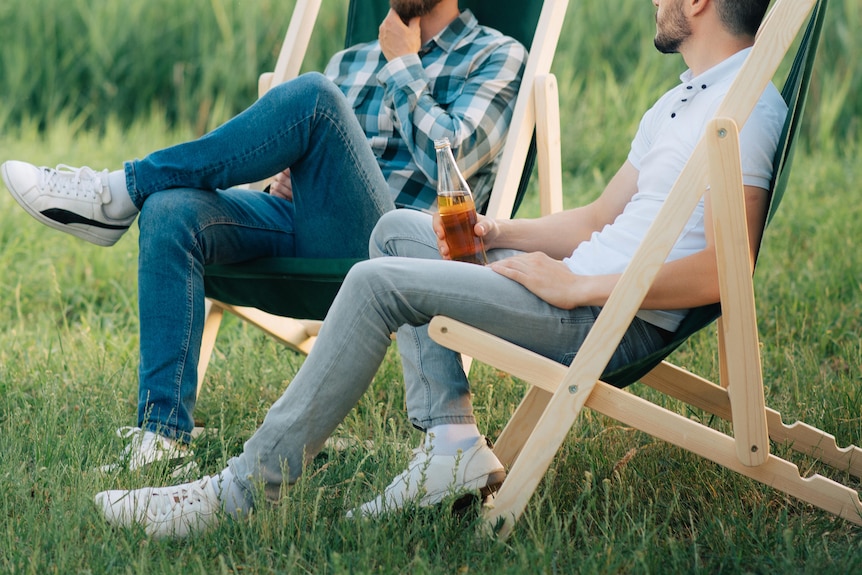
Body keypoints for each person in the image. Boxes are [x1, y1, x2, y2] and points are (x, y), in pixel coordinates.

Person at [89, 0, 788, 539]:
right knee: (398, 230)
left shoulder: (748, 104)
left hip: (602, 315)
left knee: (374, 280)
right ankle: (451, 438)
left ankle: (241, 489)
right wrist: (499, 232)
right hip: (579, 285)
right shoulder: (682, 97)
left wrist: (581, 284)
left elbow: (728, 270)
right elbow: (596, 219)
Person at [1, 0, 527, 472]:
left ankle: (119, 191)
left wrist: (402, 65)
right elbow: (325, 160)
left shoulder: (497, 56)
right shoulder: (352, 60)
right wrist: (294, 172)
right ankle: (160, 437)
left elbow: (453, 159)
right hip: (308, 224)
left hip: (401, 245)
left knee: (316, 98)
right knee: (170, 210)